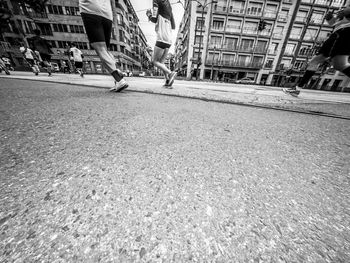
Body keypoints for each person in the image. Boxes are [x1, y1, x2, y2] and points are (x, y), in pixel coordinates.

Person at [283, 5, 350, 96]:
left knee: (339, 64)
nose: (343, 8)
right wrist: (329, 18)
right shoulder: (343, 16)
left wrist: (347, 11)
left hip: (345, 34)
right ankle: (297, 89)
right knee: (314, 62)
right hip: (336, 35)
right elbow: (334, 24)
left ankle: (297, 88)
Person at [78, 0, 128, 92]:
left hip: (91, 9)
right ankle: (118, 76)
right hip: (107, 13)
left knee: (100, 49)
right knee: (105, 50)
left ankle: (119, 79)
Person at [147, 0, 177, 88]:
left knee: (154, 61)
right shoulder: (169, 6)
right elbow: (174, 26)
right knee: (162, 62)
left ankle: (170, 73)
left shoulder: (156, 1)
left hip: (162, 37)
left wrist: (149, 14)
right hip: (169, 39)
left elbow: (154, 19)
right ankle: (168, 80)